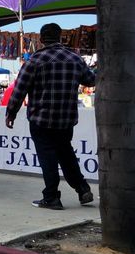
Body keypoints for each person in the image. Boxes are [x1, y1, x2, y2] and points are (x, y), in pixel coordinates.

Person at [5, 24, 95, 209]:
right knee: (66, 153)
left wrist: (11, 113)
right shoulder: (75, 59)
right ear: (60, 37)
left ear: (41, 39)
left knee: (48, 157)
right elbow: (91, 80)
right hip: (66, 119)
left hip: (41, 118)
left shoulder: (35, 61)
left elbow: (19, 90)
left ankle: (52, 196)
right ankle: (82, 188)